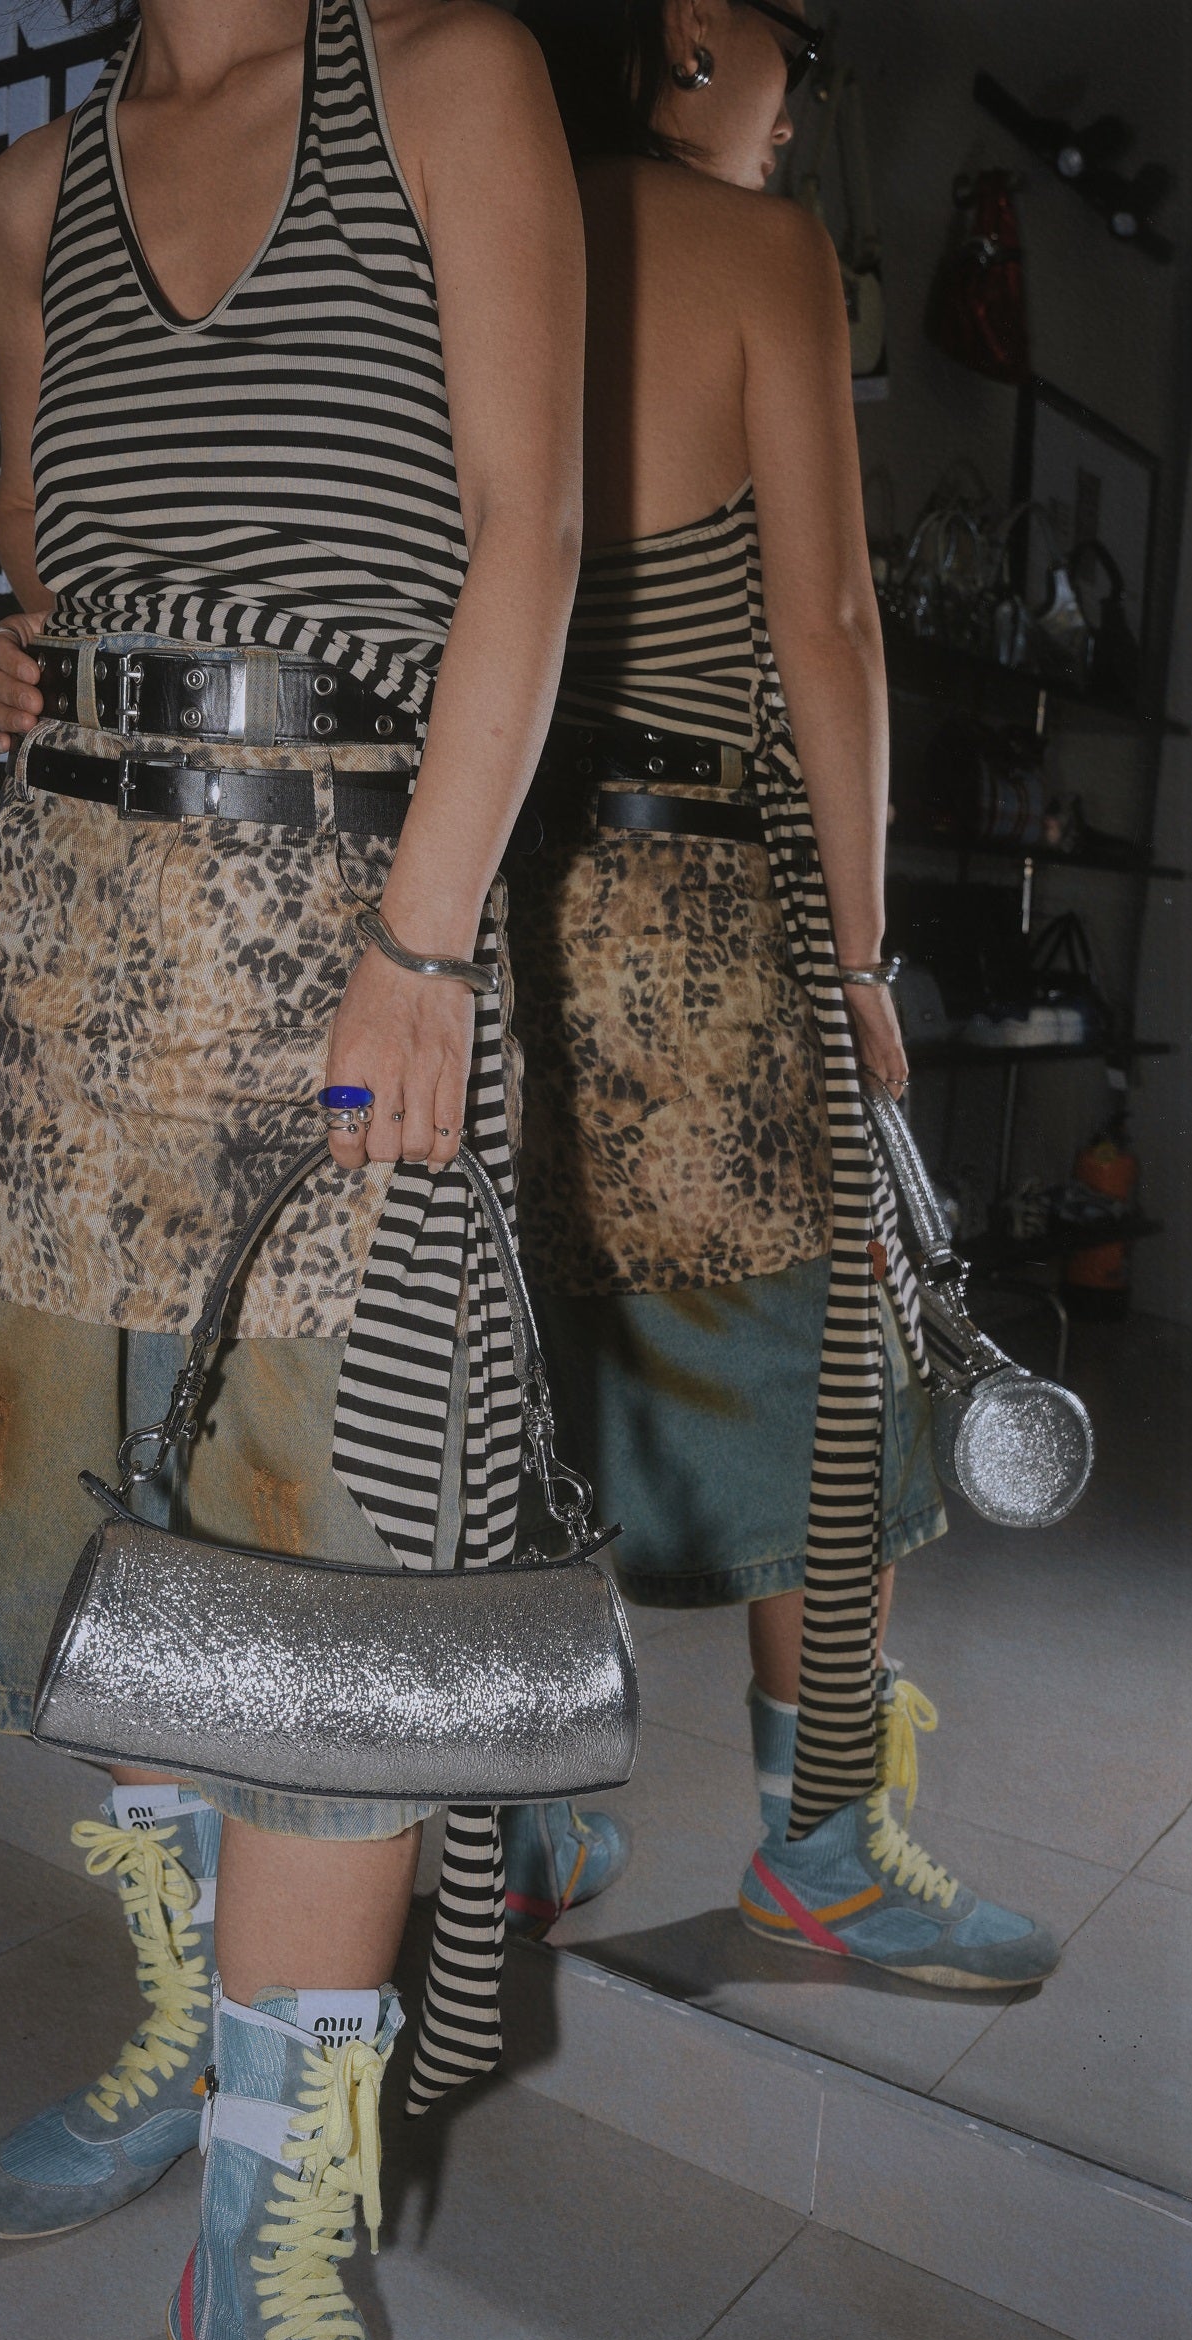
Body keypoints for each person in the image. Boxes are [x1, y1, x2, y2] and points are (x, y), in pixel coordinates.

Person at [0, 2, 583, 2340]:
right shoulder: (33, 193)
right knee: (109, 1569)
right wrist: (29, 667)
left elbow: (530, 533)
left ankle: (266, 2238)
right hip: (60, 962)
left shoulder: (445, 75)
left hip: (344, 947)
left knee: (337, 1632)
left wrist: (425, 944)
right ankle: (182, 2049)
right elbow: (52, 573)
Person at [511, 0, 1059, 1987]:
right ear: (689, 26)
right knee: (842, 1367)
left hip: (506, 906)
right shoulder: (755, 250)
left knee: (527, 1362)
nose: (801, 94)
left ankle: (520, 1820)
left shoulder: (479, 209)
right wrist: (855, 950)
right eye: (794, 44)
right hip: (702, 917)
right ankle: (819, 1844)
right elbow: (825, 623)